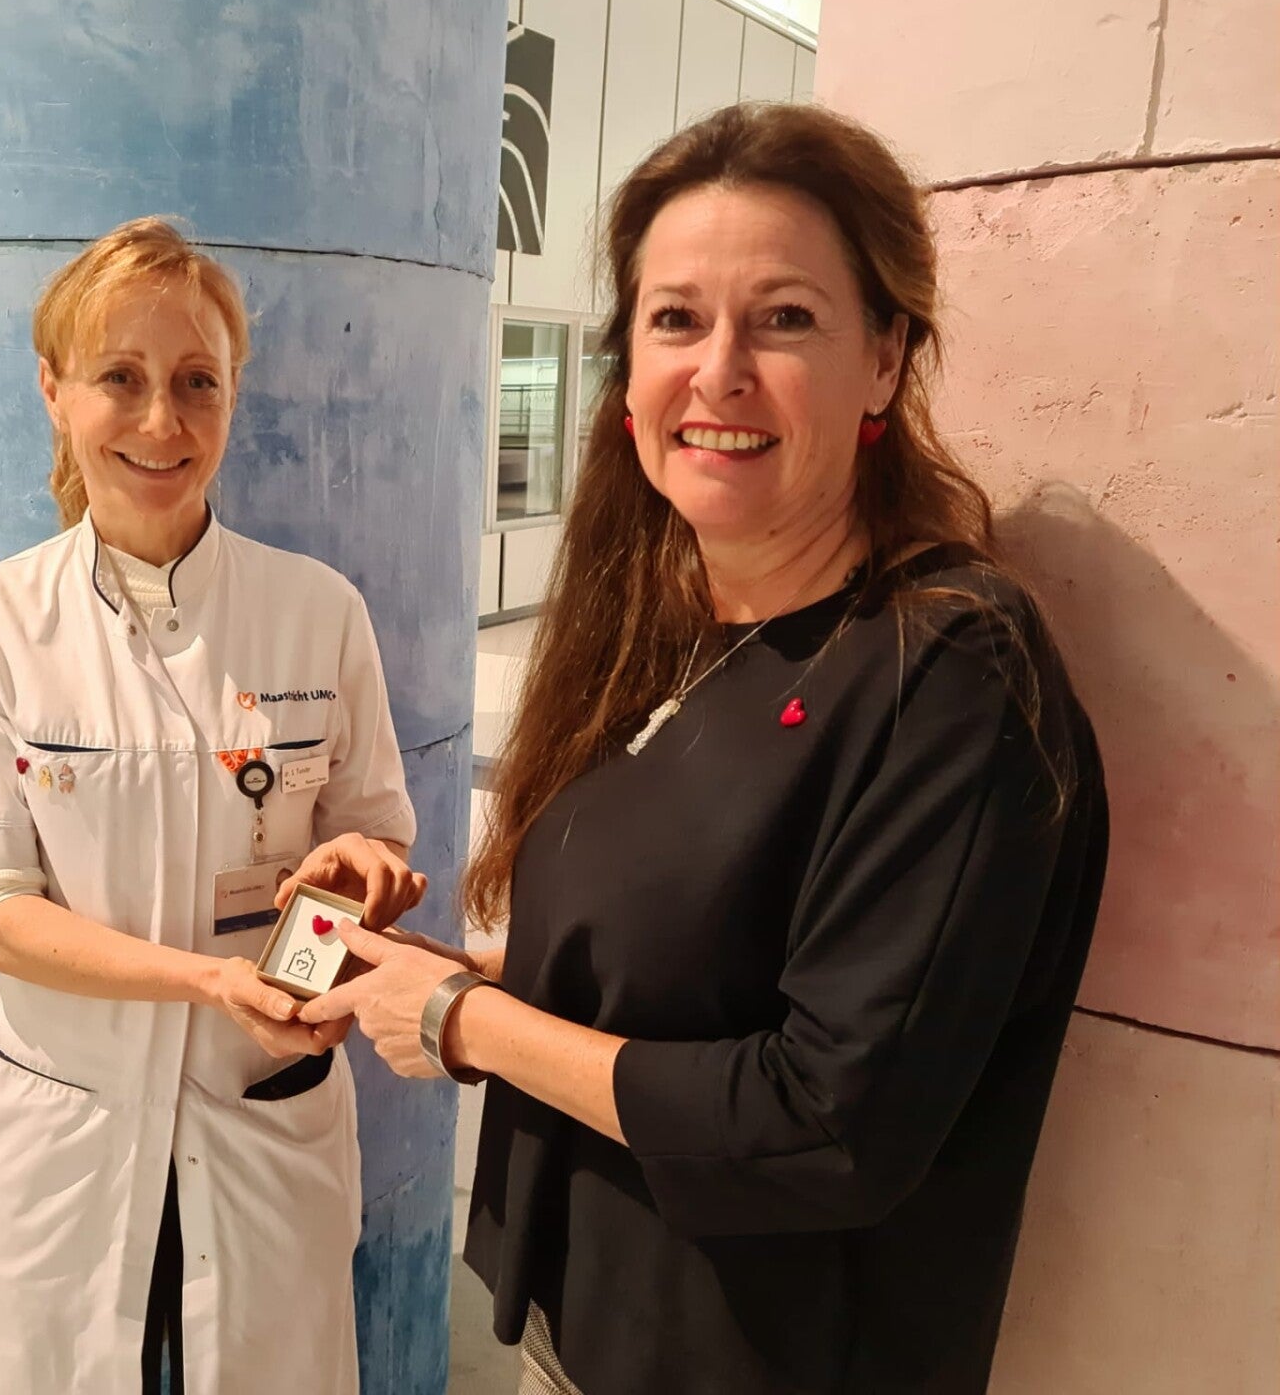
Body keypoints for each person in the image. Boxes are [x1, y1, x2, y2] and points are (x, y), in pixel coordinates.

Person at [292, 103, 1109, 1394]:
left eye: (784, 318)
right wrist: (459, 969)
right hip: (587, 1332)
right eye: (676, 318)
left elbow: (823, 1123)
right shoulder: (667, 628)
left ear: (885, 357)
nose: (720, 372)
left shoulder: (949, 671)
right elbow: (689, 969)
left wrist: (464, 1022)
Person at [0, 217, 426, 1394]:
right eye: (120, 379)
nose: (161, 422)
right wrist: (206, 981)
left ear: (234, 396)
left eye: (197, 382)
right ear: (54, 391)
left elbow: (370, 835)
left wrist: (318, 944)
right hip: (68, 1133)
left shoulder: (319, 612)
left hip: (264, 1112)